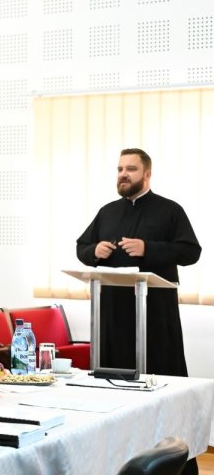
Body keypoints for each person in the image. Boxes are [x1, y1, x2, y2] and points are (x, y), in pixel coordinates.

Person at [76, 148, 202, 377]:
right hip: (113, 310)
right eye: (120, 169)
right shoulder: (107, 211)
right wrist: (94, 250)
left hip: (154, 310)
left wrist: (148, 248)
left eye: (131, 169)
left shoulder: (170, 210)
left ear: (147, 174)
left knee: (157, 372)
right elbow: (81, 247)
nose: (123, 174)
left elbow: (191, 252)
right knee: (113, 376)